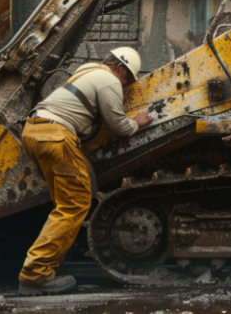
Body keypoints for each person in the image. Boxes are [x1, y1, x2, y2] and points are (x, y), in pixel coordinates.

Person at [17, 47, 153, 296]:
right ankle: (35, 274)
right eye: (128, 79)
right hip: (57, 136)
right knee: (73, 205)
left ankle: (53, 258)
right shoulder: (109, 80)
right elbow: (119, 125)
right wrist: (139, 122)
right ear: (120, 68)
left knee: (65, 203)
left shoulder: (86, 71)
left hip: (34, 131)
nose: (126, 84)